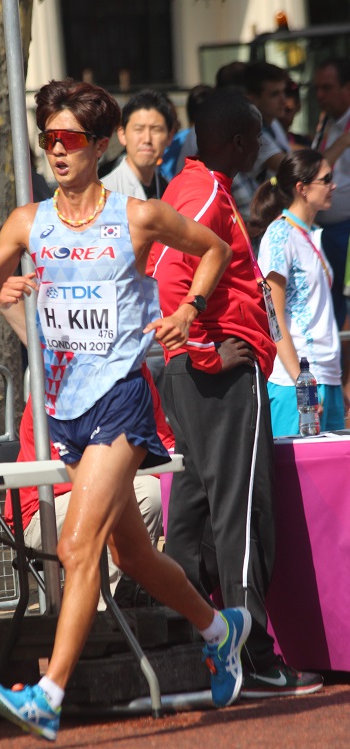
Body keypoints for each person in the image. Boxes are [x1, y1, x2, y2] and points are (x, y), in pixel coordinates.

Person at [0, 78, 251, 741]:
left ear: (99, 147)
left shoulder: (137, 216)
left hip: (119, 401)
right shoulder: (25, 222)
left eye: (70, 139)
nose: (57, 151)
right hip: (61, 410)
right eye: (49, 140)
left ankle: (48, 693)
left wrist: (187, 309)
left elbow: (212, 249)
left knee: (76, 544)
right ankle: (220, 629)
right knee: (133, 553)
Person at [147, 89, 323, 700]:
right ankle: (255, 654)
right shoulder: (207, 193)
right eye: (252, 141)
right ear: (238, 143)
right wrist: (202, 350)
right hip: (217, 374)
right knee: (243, 515)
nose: (258, 153)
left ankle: (187, 638)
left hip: (202, 372)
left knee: (194, 515)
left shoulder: (188, 187)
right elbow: (167, 275)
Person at [4, 363, 174, 607]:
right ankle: (115, 607)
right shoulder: (64, 375)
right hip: (45, 508)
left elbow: (162, 441)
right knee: (133, 498)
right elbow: (77, 469)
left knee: (159, 494)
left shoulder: (135, 369)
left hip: (105, 495)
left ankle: (127, 599)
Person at [250, 150, 346, 435]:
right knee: (300, 479)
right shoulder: (280, 234)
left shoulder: (308, 233)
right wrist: (301, 384)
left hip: (327, 375)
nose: (334, 185)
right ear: (302, 188)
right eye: (326, 179)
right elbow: (274, 316)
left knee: (333, 477)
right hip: (297, 382)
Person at [312, 57, 350, 332]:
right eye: (317, 88)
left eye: (327, 88)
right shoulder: (332, 124)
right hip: (331, 234)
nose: (319, 96)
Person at [232, 62, 290, 227]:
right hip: (257, 222)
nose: (284, 100)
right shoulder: (255, 135)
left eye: (284, 92)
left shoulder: (274, 124)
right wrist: (342, 141)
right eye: (274, 94)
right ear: (252, 99)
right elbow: (295, 169)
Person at [102, 88, 176, 200]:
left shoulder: (171, 190)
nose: (147, 139)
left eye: (155, 130)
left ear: (169, 137)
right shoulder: (105, 193)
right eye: (139, 129)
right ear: (122, 135)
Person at [278, 80, 312, 151]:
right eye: (278, 108)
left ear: (298, 107)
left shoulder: (305, 141)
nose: (281, 114)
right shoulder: (260, 139)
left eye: (287, 110)